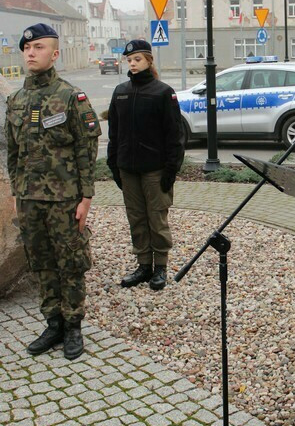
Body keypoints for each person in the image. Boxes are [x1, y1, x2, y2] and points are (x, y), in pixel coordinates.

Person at [5, 23, 100, 360]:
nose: (31, 53)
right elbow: (12, 153)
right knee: (42, 263)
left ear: (54, 54)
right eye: (27, 48)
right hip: (31, 200)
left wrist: (85, 198)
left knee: (70, 263)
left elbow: (87, 151)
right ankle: (53, 323)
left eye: (39, 47)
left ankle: (73, 326)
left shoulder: (71, 97)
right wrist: (17, 193)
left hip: (65, 199)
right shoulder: (16, 100)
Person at [107, 40, 184, 291]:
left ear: (149, 61)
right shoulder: (120, 91)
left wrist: (171, 170)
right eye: (129, 60)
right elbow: (114, 133)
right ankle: (143, 265)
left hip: (155, 169)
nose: (132, 64)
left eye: (137, 59)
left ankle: (160, 266)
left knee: (156, 219)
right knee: (136, 218)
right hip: (128, 169)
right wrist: (114, 165)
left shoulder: (163, 92)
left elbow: (174, 135)